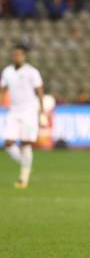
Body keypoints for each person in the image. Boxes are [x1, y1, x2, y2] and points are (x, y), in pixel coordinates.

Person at [1, 45, 44, 189]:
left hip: (29, 111)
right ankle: (26, 165)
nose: (16, 57)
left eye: (19, 55)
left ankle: (23, 178)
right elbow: (3, 89)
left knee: (26, 143)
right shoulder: (7, 71)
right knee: (8, 143)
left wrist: (42, 109)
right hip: (13, 111)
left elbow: (39, 90)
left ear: (24, 56)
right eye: (14, 55)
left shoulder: (32, 72)